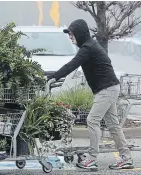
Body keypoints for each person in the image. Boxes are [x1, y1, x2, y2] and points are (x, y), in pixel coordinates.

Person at [47, 19, 133, 171]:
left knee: (92, 120)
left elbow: (72, 64)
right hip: (109, 88)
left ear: (80, 33)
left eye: (72, 34)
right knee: (113, 125)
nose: (70, 37)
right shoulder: (90, 46)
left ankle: (92, 159)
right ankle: (126, 158)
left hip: (107, 89)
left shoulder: (88, 48)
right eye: (69, 34)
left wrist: (53, 77)